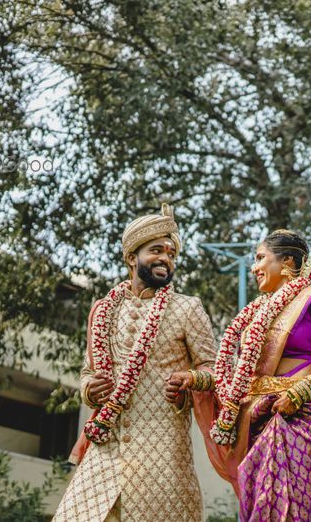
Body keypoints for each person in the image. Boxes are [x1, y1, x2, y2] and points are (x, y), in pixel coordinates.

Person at [53, 203, 218, 522]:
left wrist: (191, 379)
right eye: (157, 250)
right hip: (105, 450)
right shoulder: (103, 311)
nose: (166, 259)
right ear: (132, 258)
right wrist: (90, 389)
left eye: (171, 254)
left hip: (162, 456)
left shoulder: (187, 309)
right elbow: (88, 372)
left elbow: (214, 369)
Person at [193, 229, 311, 521]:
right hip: (258, 416)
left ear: (286, 261)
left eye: (260, 258)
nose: (254, 267)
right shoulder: (257, 313)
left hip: (304, 412)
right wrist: (195, 379)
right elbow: (238, 378)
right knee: (263, 507)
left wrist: (301, 391)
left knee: (298, 504)